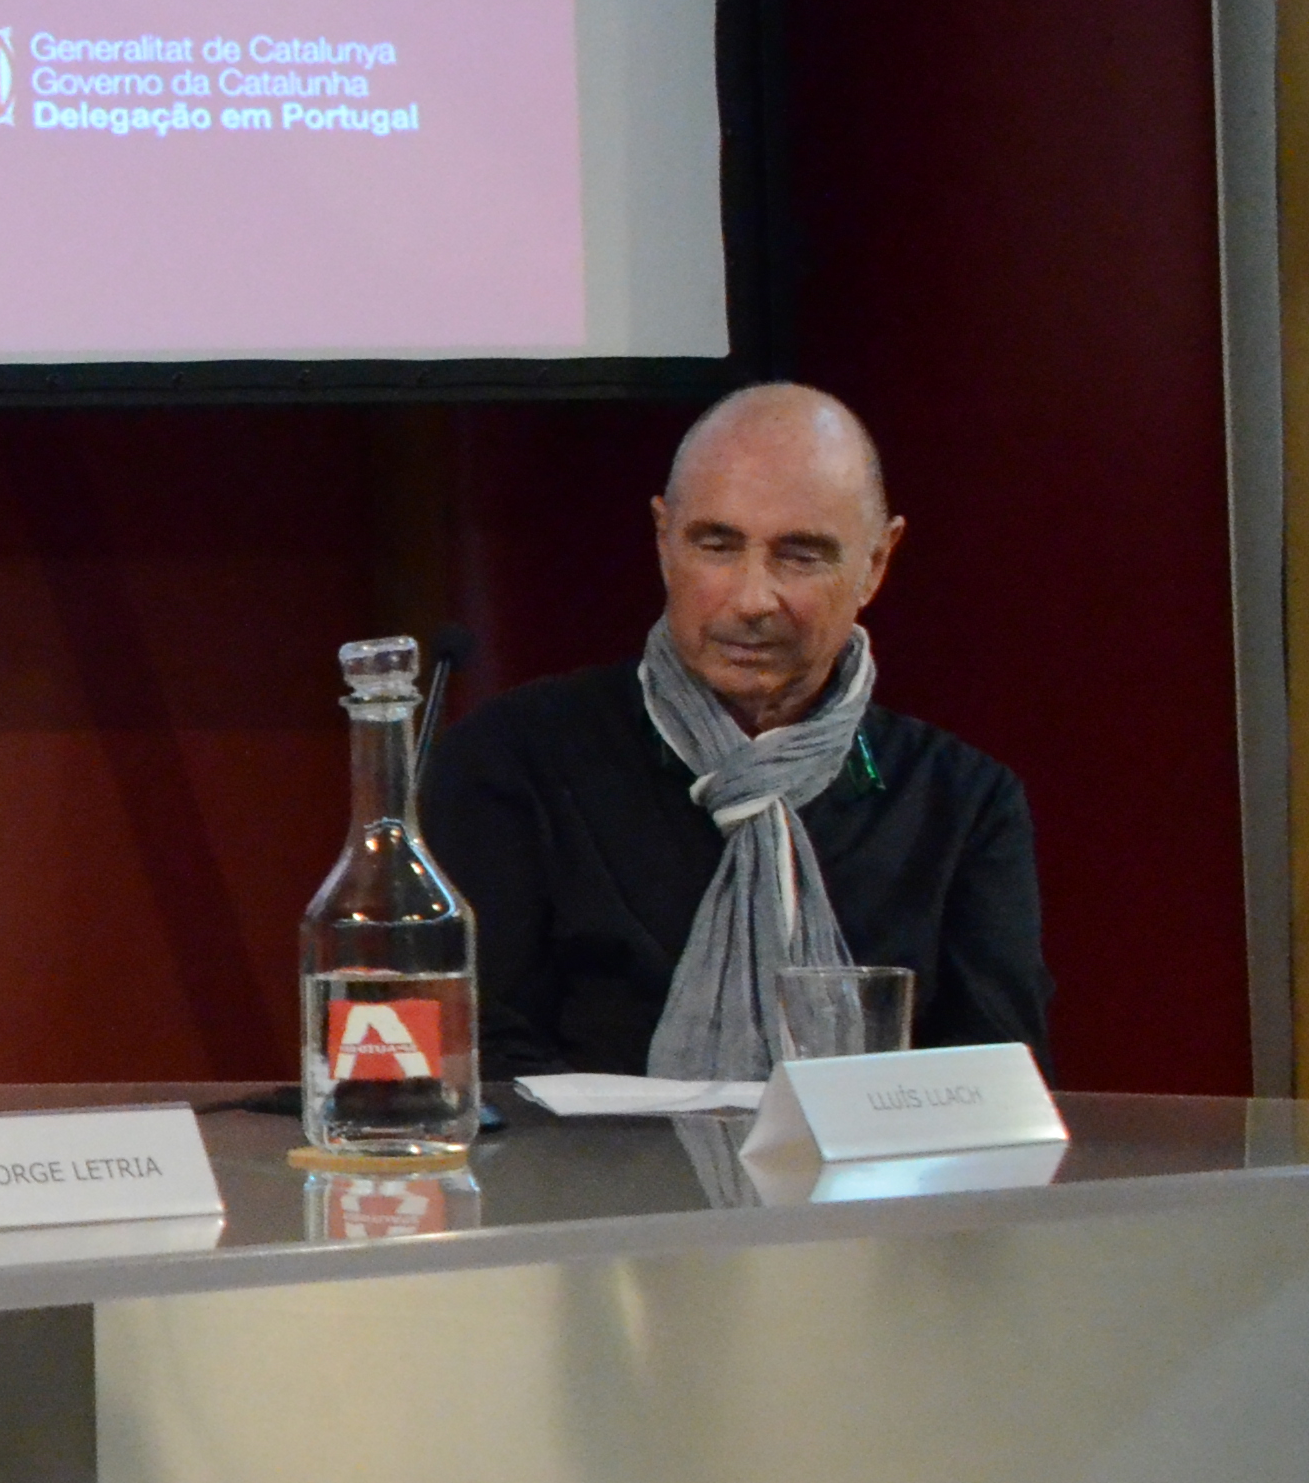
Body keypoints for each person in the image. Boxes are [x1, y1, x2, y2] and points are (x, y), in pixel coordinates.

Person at [422, 379, 1048, 1081]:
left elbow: (997, 1096)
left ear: (876, 562)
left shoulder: (961, 805)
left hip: (873, 1192)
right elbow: (469, 1068)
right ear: (663, 539)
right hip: (592, 1190)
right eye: (716, 546)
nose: (752, 599)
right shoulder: (512, 762)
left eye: (800, 556)